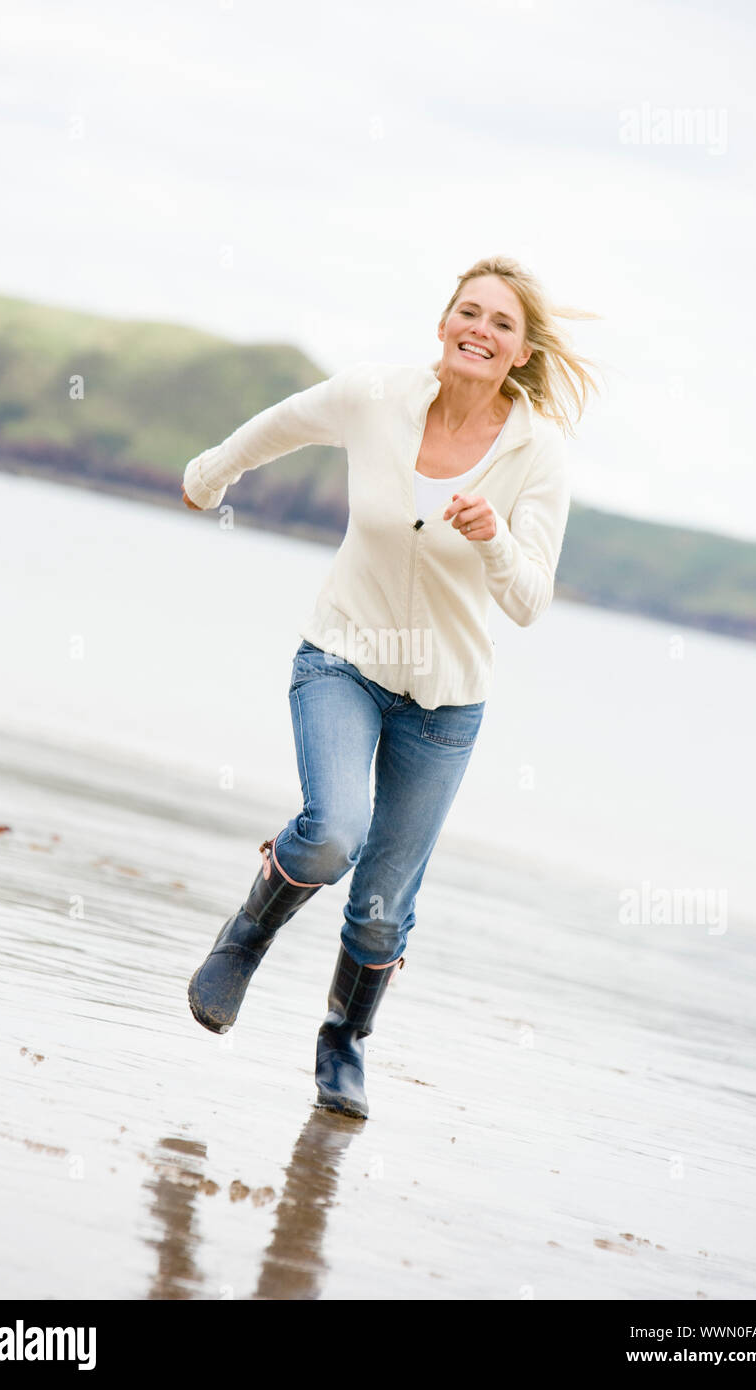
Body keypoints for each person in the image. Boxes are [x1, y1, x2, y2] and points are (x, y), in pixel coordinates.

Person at [181, 254, 600, 1120]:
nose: (480, 331)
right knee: (332, 835)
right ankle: (247, 936)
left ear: (521, 352)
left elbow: (528, 601)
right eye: (469, 313)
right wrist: (210, 474)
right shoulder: (378, 396)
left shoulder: (538, 453)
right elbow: (283, 424)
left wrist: (492, 539)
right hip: (342, 657)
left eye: (502, 324)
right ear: (444, 323)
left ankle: (342, 1041)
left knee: (380, 909)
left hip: (445, 704)